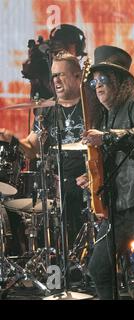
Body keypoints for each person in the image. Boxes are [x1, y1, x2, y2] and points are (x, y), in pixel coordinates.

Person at [80, 45, 134, 300]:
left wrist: (106, 137)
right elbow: (111, 157)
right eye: (94, 80)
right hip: (116, 207)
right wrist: (93, 177)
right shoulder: (107, 115)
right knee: (98, 268)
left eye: (103, 79)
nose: (97, 85)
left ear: (119, 80)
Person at [0, 51, 88, 249]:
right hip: (58, 185)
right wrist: (12, 140)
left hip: (88, 181)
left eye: (61, 75)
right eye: (53, 75)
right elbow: (33, 148)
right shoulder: (47, 110)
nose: (55, 80)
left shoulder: (92, 106)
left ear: (77, 76)